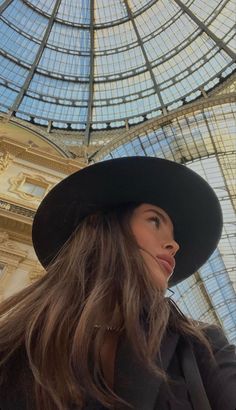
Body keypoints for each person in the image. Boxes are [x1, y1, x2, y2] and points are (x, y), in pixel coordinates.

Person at [0, 156, 235, 410]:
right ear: (104, 226)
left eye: (175, 237)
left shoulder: (201, 342)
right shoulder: (17, 346)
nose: (174, 245)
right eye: (155, 221)